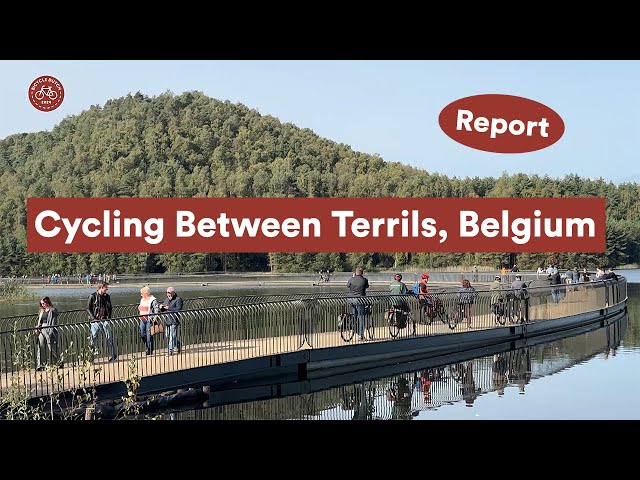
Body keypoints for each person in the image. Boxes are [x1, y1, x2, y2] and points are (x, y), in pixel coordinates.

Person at [87, 281, 117, 362]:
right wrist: (93, 318)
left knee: (109, 337)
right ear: (101, 287)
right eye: (105, 288)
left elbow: (110, 307)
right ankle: (91, 357)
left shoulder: (107, 296)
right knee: (93, 339)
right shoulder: (92, 296)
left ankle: (114, 355)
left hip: (105, 320)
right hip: (95, 321)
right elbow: (88, 308)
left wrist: (109, 317)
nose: (106, 289)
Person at [35, 296, 59, 371]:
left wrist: (50, 331)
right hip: (42, 329)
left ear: (47, 302)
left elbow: (53, 322)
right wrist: (37, 328)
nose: (42, 305)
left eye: (43, 303)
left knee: (51, 346)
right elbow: (40, 321)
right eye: (41, 304)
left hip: (49, 328)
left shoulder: (53, 310)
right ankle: (40, 365)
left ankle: (57, 363)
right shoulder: (41, 311)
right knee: (40, 345)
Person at [346, 267, 369, 341]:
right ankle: (361, 336)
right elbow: (367, 286)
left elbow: (348, 286)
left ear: (355, 273)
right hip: (360, 300)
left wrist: (353, 277)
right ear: (362, 273)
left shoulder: (351, 279)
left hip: (351, 300)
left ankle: (353, 328)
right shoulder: (364, 280)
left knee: (354, 316)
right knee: (361, 317)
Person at [160, 286, 184, 355]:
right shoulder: (166, 300)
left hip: (174, 320)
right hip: (167, 320)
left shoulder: (178, 299)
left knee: (172, 336)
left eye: (169, 293)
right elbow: (163, 309)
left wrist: (169, 308)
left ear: (173, 293)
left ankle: (170, 350)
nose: (168, 294)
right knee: (167, 335)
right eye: (167, 293)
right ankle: (178, 344)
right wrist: (161, 307)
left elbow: (179, 309)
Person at [138, 286, 159, 355]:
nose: (141, 295)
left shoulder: (153, 300)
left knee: (149, 335)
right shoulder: (142, 299)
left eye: (142, 293)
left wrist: (154, 318)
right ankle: (148, 346)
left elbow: (156, 309)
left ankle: (150, 349)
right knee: (142, 334)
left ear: (146, 293)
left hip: (149, 320)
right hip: (142, 319)